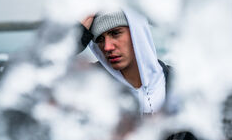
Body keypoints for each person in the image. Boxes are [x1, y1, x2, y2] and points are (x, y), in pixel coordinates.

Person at [78, 8, 197, 140]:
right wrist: (78, 34)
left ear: (137, 32)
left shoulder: (181, 84)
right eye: (100, 39)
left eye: (115, 33)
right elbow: (52, 71)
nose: (107, 47)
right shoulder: (92, 85)